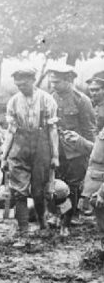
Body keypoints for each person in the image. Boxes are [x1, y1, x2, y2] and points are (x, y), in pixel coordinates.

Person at [0, 67, 59, 247]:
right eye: (17, 85)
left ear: (33, 81)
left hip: (41, 144)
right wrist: (4, 155)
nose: (21, 87)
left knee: (39, 191)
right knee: (19, 192)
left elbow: (52, 129)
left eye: (24, 84)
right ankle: (23, 232)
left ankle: (42, 222)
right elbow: (10, 130)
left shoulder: (47, 100)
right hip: (20, 144)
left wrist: (55, 155)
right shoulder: (13, 102)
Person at [48, 66, 96, 234]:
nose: (53, 85)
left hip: (77, 152)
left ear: (69, 80)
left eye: (57, 82)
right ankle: (60, 213)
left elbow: (89, 130)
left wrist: (90, 151)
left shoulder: (82, 100)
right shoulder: (51, 98)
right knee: (58, 185)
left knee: (73, 187)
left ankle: (68, 219)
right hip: (57, 151)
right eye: (51, 82)